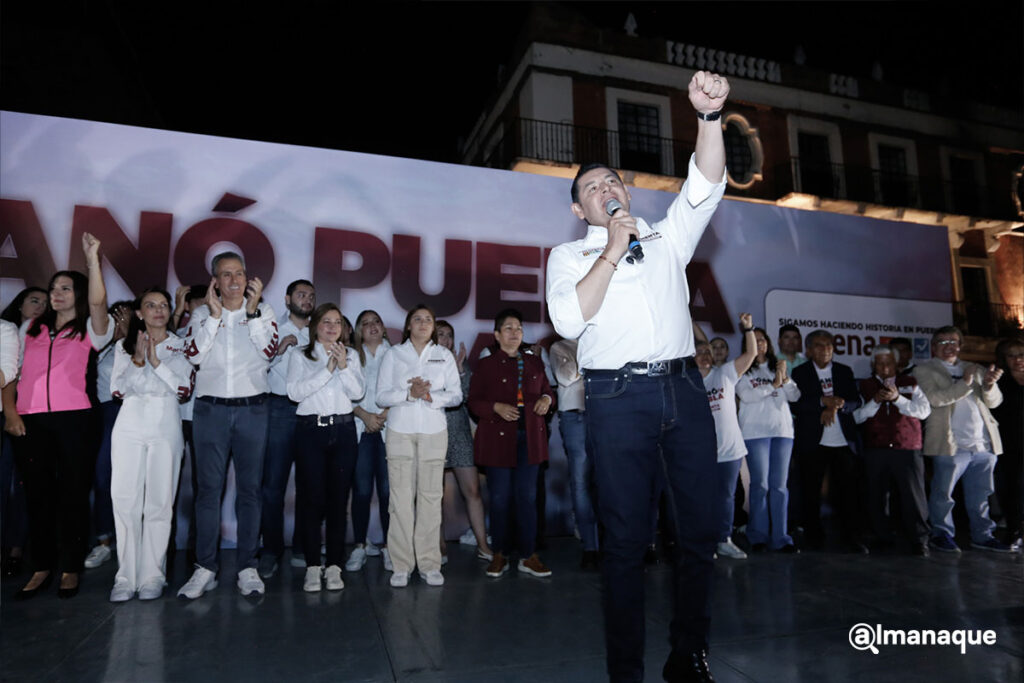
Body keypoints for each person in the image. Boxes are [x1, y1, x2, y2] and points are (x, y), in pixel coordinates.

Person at [546, 70, 730, 683]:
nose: (607, 188)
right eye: (593, 187)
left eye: (613, 181)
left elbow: (705, 183)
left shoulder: (666, 237)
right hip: (617, 398)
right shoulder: (569, 257)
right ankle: (625, 670)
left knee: (699, 532)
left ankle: (689, 653)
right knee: (625, 543)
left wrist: (708, 118)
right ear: (580, 208)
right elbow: (570, 321)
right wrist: (610, 247)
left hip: (682, 389)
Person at [9, 233, 112, 599]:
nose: (57, 293)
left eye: (66, 288)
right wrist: (11, 413)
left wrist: (92, 260)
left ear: (79, 294)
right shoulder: (30, 329)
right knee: (36, 494)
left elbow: (99, 301)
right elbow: (12, 374)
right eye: (54, 288)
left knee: (72, 494)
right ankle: (41, 566)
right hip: (30, 420)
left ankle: (70, 566)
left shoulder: (92, 331)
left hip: (77, 420)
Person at [178, 251, 279, 599]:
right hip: (211, 411)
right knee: (209, 492)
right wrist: (215, 318)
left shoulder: (263, 312)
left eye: (239, 273)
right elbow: (192, 355)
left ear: (248, 278)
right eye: (226, 274)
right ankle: (205, 567)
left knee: (250, 490)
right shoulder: (202, 314)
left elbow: (269, 352)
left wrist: (250, 315)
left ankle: (247, 566)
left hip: (253, 410)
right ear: (215, 281)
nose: (234, 281)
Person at [108, 288, 195, 601]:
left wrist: (156, 363)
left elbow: (184, 388)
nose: (158, 310)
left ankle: (152, 576)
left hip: (165, 419)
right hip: (130, 420)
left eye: (163, 305)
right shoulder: (124, 346)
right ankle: (125, 577)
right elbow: (117, 390)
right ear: (140, 313)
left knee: (159, 501)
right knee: (125, 499)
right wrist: (138, 361)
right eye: (150, 305)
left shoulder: (182, 346)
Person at [375, 304, 461, 588]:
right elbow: (381, 396)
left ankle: (429, 563)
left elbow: (456, 396)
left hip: (434, 431)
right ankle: (401, 564)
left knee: (430, 498)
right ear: (408, 325)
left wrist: (429, 396)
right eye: (417, 319)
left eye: (428, 319)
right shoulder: (394, 354)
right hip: (400, 430)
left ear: (434, 326)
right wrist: (409, 394)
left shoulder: (443, 355)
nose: (423, 323)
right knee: (399, 499)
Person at [468, 309, 554, 579]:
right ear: (496, 335)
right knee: (501, 499)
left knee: (528, 498)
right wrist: (495, 407)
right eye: (508, 328)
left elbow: (548, 391)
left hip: (531, 439)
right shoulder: (485, 365)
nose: (515, 332)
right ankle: (500, 554)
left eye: (518, 328)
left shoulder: (535, 363)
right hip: (497, 440)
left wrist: (547, 400)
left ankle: (528, 556)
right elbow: (473, 402)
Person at [913, 326, 1012, 553]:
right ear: (934, 346)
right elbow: (936, 399)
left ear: (960, 346)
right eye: (943, 342)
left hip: (983, 443)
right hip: (950, 444)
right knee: (943, 494)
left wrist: (989, 385)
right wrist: (965, 384)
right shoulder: (924, 369)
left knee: (981, 494)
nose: (949, 346)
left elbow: (994, 402)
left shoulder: (974, 368)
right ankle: (941, 534)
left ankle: (983, 535)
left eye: (953, 342)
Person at [287, 303, 364, 592]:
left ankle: (333, 565)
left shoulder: (352, 355)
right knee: (311, 500)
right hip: (310, 431)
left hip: (343, 430)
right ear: (315, 326)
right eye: (326, 322)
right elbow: (294, 392)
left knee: (337, 501)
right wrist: (327, 369)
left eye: (337, 322)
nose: (332, 327)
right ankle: (312, 566)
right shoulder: (300, 355)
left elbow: (358, 393)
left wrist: (343, 366)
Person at [852, 345, 931, 555]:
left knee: (913, 496)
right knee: (876, 496)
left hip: (907, 447)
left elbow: (924, 411)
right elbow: (856, 417)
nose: (884, 366)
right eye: (879, 362)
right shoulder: (864, 386)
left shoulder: (911, 383)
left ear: (897, 364)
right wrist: (875, 401)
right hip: (875, 448)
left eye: (888, 362)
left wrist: (898, 399)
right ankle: (882, 536)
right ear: (873, 365)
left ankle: (919, 540)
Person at [259, 278, 315, 577]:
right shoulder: (271, 328)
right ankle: (271, 549)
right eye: (301, 294)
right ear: (287, 298)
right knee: (273, 486)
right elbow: (254, 368)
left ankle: (303, 547)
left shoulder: (320, 332)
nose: (306, 300)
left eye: (311, 296)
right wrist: (279, 349)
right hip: (278, 408)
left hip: (309, 410)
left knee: (309, 484)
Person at [791, 330, 865, 553]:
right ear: (809, 350)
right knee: (810, 492)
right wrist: (822, 402)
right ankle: (814, 537)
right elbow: (796, 404)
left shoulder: (844, 371)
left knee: (847, 493)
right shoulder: (800, 373)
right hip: (813, 442)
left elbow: (856, 402)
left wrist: (840, 405)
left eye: (829, 346)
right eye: (819, 345)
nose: (825, 350)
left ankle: (850, 537)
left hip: (843, 442)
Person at [696, 314, 757, 559]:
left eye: (708, 352)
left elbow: (751, 354)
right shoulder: (688, 383)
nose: (705, 355)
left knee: (726, 498)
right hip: (703, 452)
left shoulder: (725, 374)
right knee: (702, 498)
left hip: (730, 449)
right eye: (700, 352)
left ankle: (723, 539)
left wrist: (749, 329)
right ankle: (704, 541)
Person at [736, 327, 801, 554]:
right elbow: (746, 395)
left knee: (779, 487)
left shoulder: (778, 366)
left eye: (763, 340)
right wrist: (772, 385)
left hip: (782, 432)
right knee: (760, 485)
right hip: (755, 432)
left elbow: (795, 396)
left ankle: (780, 537)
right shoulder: (743, 369)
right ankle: (758, 535)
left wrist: (784, 379)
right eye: (756, 341)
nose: (760, 344)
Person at [436, 320, 494, 563]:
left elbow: (471, 398)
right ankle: (438, 547)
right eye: (441, 335)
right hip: (433, 433)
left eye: (450, 335)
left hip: (459, 433)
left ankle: (483, 545)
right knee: (433, 495)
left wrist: (460, 371)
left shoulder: (461, 364)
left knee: (473, 490)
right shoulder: (423, 362)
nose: (446, 340)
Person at [0, 286, 46, 577]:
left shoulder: (12, 334)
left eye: (45, 302)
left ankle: (15, 551)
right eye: (34, 300)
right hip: (13, 411)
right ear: (19, 305)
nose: (40, 306)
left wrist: (11, 412)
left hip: (24, 415)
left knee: (20, 487)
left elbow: (9, 375)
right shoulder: (12, 330)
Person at [83, 301, 132, 572]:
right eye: (115, 318)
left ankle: (134, 543)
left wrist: (130, 339)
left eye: (126, 317)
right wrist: (112, 340)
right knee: (103, 479)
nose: (121, 322)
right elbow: (83, 369)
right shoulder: (98, 349)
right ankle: (103, 541)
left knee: (137, 482)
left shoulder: (144, 343)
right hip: (105, 414)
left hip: (136, 413)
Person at [346, 309, 393, 572]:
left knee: (387, 492)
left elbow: (403, 389)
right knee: (362, 491)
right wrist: (365, 416)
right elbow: (344, 390)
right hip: (360, 430)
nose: (372, 326)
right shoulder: (352, 356)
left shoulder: (396, 354)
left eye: (376, 321)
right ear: (358, 331)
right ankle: (360, 546)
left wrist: (383, 415)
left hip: (388, 430)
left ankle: (389, 546)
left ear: (384, 327)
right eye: (365, 323)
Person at [550, 337, 599, 569]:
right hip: (575, 416)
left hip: (603, 415)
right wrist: (589, 353)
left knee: (605, 481)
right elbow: (566, 376)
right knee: (581, 482)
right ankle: (590, 546)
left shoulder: (603, 338)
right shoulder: (560, 347)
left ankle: (608, 541)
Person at [992, 337, 1023, 547]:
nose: (1017, 359)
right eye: (1011, 355)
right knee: (1014, 489)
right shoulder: (999, 382)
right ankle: (1015, 529)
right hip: (1009, 444)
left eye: (1021, 354)